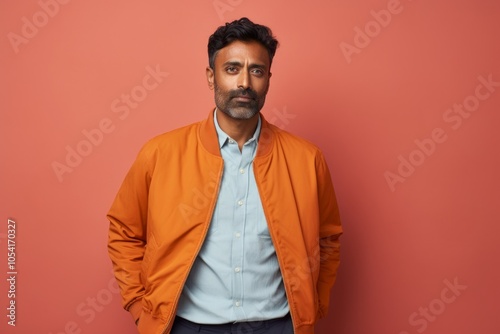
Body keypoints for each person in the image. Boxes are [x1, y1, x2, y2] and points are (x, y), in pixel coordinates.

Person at [107, 17, 343, 334]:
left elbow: (328, 240)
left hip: (278, 325)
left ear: (268, 79)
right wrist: (139, 307)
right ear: (211, 76)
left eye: (256, 70)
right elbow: (123, 231)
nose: (244, 81)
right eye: (232, 69)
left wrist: (312, 305)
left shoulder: (307, 160)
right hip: (188, 326)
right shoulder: (161, 154)